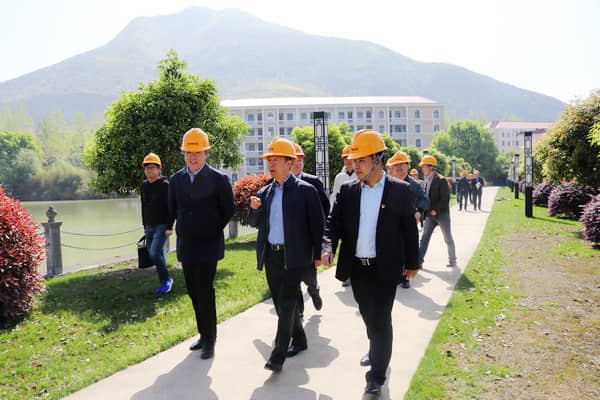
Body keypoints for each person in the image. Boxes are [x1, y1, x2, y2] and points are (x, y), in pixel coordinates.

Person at [321, 129, 419, 397]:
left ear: (378, 159)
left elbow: (409, 230)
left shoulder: (400, 191)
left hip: (386, 268)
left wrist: (413, 263)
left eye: (362, 160)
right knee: (368, 315)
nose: (356, 165)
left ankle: (376, 375)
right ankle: (376, 349)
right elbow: (333, 223)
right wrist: (328, 246)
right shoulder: (348, 190)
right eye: (354, 160)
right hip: (357, 269)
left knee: (381, 319)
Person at [247, 138, 324, 373]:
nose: (270, 164)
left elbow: (318, 226)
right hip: (272, 257)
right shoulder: (265, 192)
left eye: (276, 159)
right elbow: (254, 223)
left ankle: (277, 356)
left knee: (289, 304)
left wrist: (319, 254)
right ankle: (299, 339)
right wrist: (254, 209)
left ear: (290, 162)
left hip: (296, 257)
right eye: (269, 160)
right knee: (281, 305)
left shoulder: (306, 191)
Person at [168, 128, 235, 360]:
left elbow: (228, 209)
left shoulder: (218, 179)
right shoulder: (176, 180)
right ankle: (202, 334)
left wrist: (211, 227)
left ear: (206, 153)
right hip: (186, 244)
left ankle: (210, 339)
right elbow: (172, 208)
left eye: (197, 152)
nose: (193, 157)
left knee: (205, 291)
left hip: (208, 245)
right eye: (188, 152)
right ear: (184, 154)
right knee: (192, 291)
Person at [291, 142, 328, 313]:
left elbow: (325, 207)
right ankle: (299, 313)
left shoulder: (313, 182)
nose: (297, 163)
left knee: (309, 275)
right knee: (293, 280)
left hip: (308, 240)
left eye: (300, 160)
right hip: (289, 241)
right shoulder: (278, 183)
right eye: (294, 160)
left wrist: (321, 232)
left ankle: (314, 289)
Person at [385, 151, 429, 289]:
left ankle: (405, 277)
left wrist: (418, 211)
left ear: (407, 166)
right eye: (396, 164)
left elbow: (424, 200)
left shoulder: (414, 185)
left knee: (406, 248)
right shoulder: (387, 183)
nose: (399, 167)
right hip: (390, 222)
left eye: (402, 164)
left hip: (408, 222)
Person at [140, 152, 174, 294]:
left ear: (159, 169)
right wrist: (144, 225)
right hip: (149, 226)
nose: (149, 171)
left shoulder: (165, 185)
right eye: (147, 168)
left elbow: (171, 207)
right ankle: (164, 282)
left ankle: (167, 280)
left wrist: (170, 227)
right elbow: (144, 206)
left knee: (154, 253)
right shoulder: (144, 186)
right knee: (155, 253)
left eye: (153, 168)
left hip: (162, 225)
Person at [418, 154, 458, 269]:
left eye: (424, 166)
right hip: (430, 215)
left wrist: (436, 210)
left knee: (447, 238)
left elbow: (445, 198)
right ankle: (418, 261)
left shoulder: (441, 180)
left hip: (442, 215)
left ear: (430, 167)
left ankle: (452, 260)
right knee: (424, 238)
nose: (422, 168)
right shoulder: (426, 180)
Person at [330, 144, 358, 287]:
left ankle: (355, 274)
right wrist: (331, 213)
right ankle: (345, 275)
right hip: (342, 216)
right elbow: (334, 195)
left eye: (349, 157)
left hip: (357, 216)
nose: (347, 160)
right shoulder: (339, 177)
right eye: (345, 158)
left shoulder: (360, 174)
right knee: (345, 246)